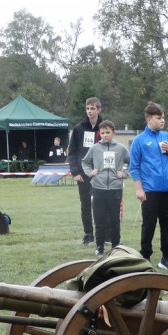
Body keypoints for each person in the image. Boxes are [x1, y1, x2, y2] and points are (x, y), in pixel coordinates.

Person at [129, 101, 168, 270]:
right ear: (149, 119)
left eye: (163, 118)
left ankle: (167, 257)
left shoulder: (166, 137)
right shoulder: (139, 140)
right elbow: (134, 167)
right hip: (150, 190)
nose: (162, 121)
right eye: (159, 118)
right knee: (149, 223)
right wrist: (139, 189)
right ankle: (145, 257)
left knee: (167, 223)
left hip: (167, 188)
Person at [82, 120, 130, 256]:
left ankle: (116, 246)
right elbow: (85, 162)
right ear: (99, 134)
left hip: (115, 188)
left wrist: (124, 173)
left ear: (113, 133)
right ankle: (99, 246)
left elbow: (132, 162)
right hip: (98, 188)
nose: (105, 135)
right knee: (99, 219)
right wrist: (91, 173)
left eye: (108, 132)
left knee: (115, 220)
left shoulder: (120, 148)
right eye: (102, 133)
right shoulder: (94, 148)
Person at [68, 97, 103, 246]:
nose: (89, 111)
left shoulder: (105, 127)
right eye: (87, 108)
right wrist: (75, 172)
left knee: (102, 203)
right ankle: (88, 234)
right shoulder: (78, 129)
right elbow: (73, 152)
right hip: (83, 173)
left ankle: (105, 234)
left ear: (98, 110)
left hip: (101, 173)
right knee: (86, 205)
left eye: (92, 108)